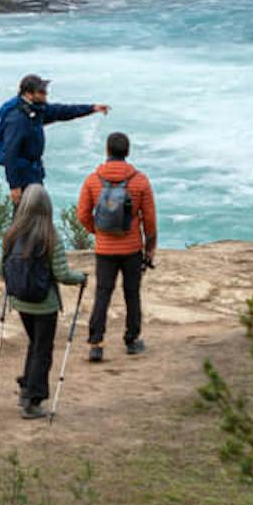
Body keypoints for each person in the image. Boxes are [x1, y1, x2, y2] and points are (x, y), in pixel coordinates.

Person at [0, 182, 85, 420]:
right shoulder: (50, 237)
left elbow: (1, 269)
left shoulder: (11, 234)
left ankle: (26, 386)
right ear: (47, 206)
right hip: (44, 304)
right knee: (42, 349)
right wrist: (81, 278)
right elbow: (61, 274)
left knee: (34, 344)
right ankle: (33, 400)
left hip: (20, 301)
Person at [74, 131, 158, 363]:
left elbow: (82, 214)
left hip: (104, 249)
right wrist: (149, 248)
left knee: (103, 293)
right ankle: (131, 340)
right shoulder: (139, 180)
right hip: (132, 248)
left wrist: (97, 231)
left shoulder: (93, 180)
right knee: (132, 294)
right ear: (127, 152)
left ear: (107, 151)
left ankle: (96, 344)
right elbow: (149, 219)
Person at [0, 73, 107, 194]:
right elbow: (10, 153)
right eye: (41, 92)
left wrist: (92, 108)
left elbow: (63, 111)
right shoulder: (18, 119)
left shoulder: (36, 108)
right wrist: (14, 186)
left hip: (33, 170)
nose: (46, 94)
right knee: (27, 210)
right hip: (22, 173)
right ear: (28, 94)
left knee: (37, 208)